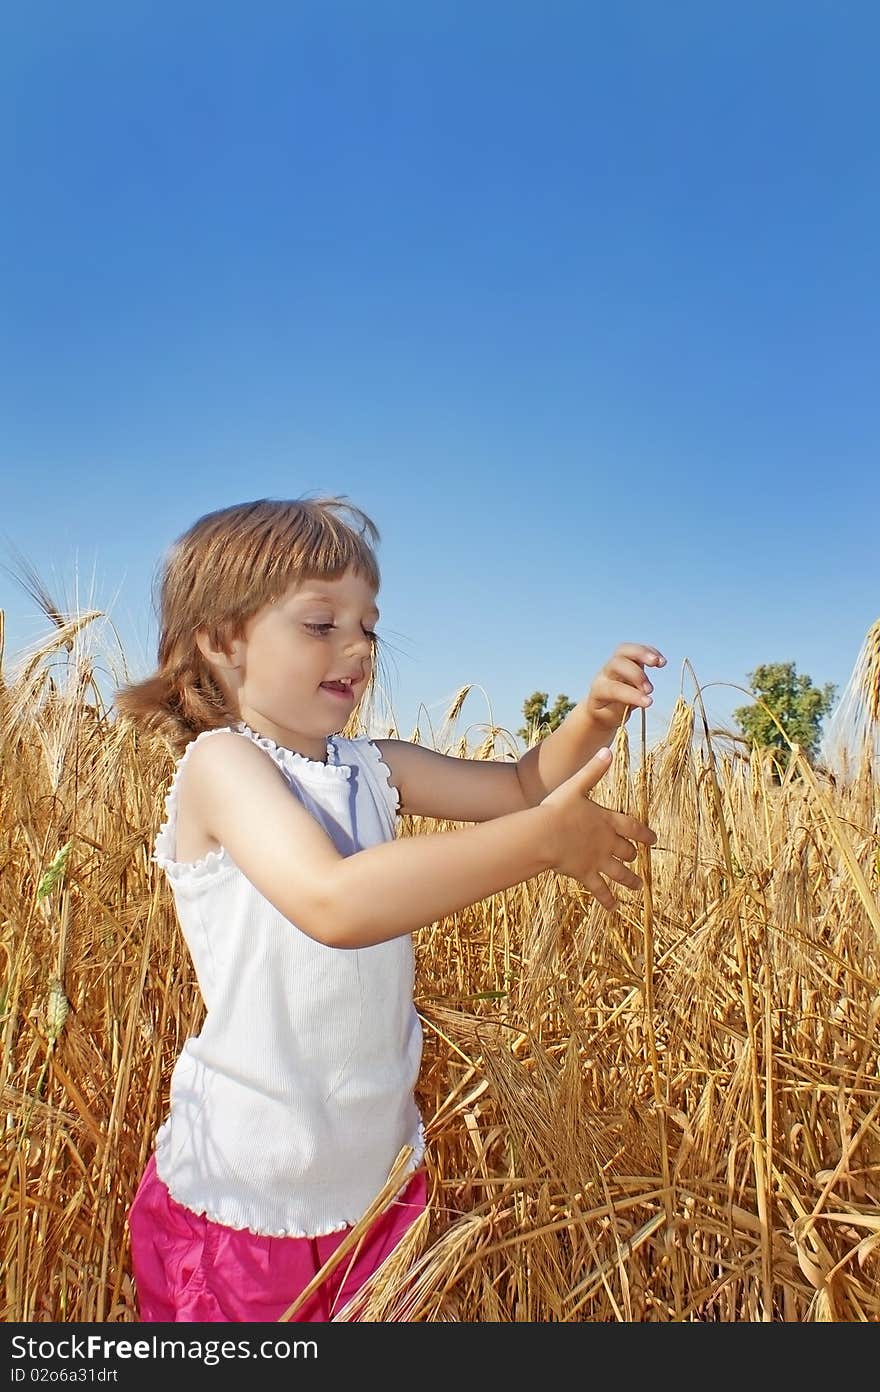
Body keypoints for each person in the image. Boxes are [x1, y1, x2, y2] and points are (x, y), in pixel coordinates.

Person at [115, 494, 665, 1323]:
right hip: (247, 1197)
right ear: (223, 640)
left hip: (374, 1186)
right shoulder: (222, 767)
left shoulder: (374, 767)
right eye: (320, 623)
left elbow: (522, 787)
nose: (357, 647)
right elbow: (333, 903)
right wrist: (543, 844)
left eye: (367, 626)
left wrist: (589, 720)